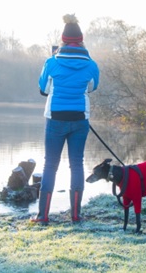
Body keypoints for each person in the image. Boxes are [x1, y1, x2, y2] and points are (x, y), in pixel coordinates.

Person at [31, 14, 100, 224]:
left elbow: (43, 89)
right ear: (81, 40)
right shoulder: (92, 65)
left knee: (50, 165)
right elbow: (92, 88)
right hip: (80, 119)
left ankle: (42, 216)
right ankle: (76, 215)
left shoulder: (51, 62)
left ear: (62, 39)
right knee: (77, 164)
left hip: (55, 119)